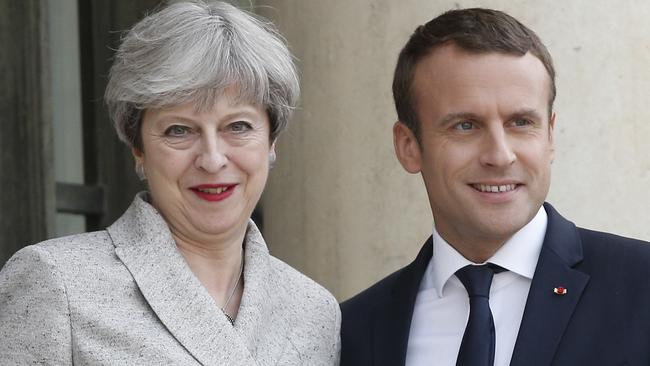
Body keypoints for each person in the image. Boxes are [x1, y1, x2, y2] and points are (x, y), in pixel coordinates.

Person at [0, 1, 340, 364]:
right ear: (138, 148)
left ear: (271, 141)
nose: (212, 159)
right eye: (179, 130)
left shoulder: (314, 312)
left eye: (238, 126)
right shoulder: (57, 283)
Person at [340, 8, 650, 366]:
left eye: (521, 122)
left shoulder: (641, 289)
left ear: (550, 136)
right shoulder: (357, 330)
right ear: (409, 146)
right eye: (465, 126)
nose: (500, 156)